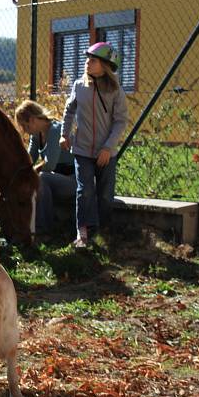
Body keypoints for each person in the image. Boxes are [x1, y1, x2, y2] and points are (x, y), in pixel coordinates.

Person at [59, 42, 128, 249]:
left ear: (105, 65)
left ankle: (103, 230)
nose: (87, 63)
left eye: (93, 60)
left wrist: (108, 147)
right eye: (87, 59)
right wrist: (64, 134)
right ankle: (82, 233)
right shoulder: (79, 86)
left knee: (105, 195)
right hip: (82, 150)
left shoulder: (116, 90)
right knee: (84, 191)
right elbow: (69, 110)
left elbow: (120, 121)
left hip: (106, 151)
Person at [15, 100, 76, 237]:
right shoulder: (36, 135)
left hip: (73, 181)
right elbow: (29, 159)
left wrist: (28, 173)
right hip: (57, 178)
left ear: (32, 120)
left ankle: (44, 229)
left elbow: (49, 165)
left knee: (41, 177)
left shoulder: (56, 130)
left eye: (25, 126)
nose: (24, 131)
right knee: (37, 177)